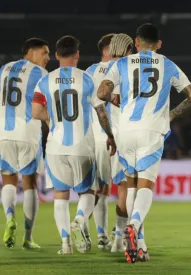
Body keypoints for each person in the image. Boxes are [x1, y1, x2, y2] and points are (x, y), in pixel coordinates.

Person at [97, 23, 191, 263]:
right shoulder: (168, 64)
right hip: (151, 131)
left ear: (137, 42)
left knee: (131, 185)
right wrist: (172, 114)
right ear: (159, 44)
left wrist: (114, 97)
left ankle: (139, 244)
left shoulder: (121, 64)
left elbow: (102, 93)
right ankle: (133, 225)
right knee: (145, 185)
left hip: (125, 131)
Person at [31, 35, 116, 254]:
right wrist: (110, 135)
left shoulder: (45, 80)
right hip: (82, 146)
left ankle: (65, 244)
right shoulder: (87, 79)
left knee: (60, 195)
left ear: (57, 55)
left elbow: (35, 111)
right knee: (87, 193)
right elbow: (101, 111)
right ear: (77, 54)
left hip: (55, 146)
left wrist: (52, 122)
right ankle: (79, 219)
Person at [0, 38, 50, 249]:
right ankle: (28, 238)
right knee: (30, 185)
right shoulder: (41, 75)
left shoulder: (4, 69)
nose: (48, 58)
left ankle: (10, 217)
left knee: (8, 180)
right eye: (45, 53)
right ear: (31, 51)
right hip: (28, 133)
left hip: (3, 132)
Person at [85, 33, 115, 250]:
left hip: (92, 135)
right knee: (116, 186)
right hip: (114, 134)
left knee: (98, 188)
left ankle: (100, 234)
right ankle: (113, 234)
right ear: (107, 49)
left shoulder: (88, 72)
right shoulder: (121, 69)